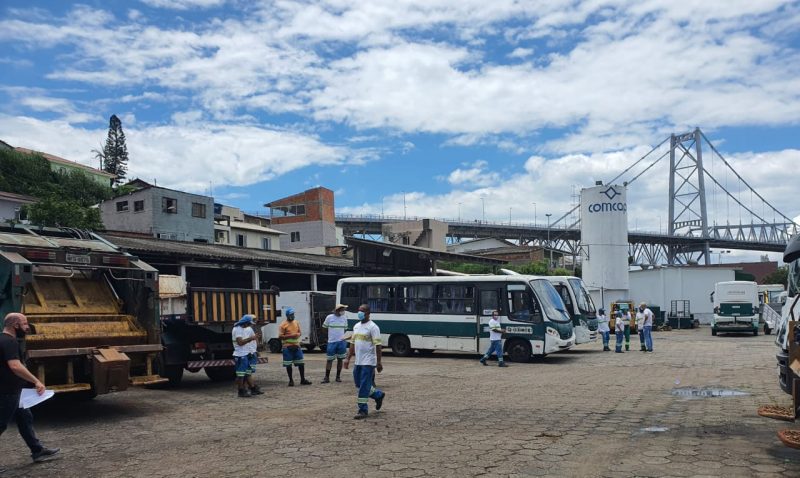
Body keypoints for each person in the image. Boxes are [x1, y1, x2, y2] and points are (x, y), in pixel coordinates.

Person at [0, 313, 60, 464]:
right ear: (15, 325)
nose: (27, 327)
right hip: (7, 392)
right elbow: (15, 366)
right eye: (25, 324)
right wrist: (36, 381)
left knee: (25, 418)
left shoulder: (2, 339)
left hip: (14, 390)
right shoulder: (10, 342)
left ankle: (37, 450)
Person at [343, 304, 385, 419]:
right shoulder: (356, 326)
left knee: (363, 386)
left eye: (362, 311)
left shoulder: (373, 327)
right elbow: (352, 344)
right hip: (358, 361)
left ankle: (362, 410)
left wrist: (379, 362)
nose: (359, 313)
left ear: (368, 313)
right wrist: (347, 358)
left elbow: (378, 346)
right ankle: (378, 395)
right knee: (359, 383)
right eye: (359, 310)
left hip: (368, 362)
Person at [278, 307, 311, 386]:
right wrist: (291, 336)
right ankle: (291, 380)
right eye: (291, 314)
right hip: (287, 347)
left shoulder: (296, 322)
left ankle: (302, 379)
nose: (292, 316)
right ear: (287, 315)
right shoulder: (283, 325)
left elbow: (299, 332)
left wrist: (298, 335)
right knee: (288, 365)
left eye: (293, 314)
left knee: (301, 363)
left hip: (296, 346)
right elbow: (280, 336)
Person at [232, 314, 263, 398]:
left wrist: (254, 350)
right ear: (245, 322)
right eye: (249, 323)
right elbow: (240, 342)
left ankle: (252, 388)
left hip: (245, 354)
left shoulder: (244, 328)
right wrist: (251, 338)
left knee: (247, 373)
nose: (249, 325)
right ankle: (241, 390)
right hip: (240, 354)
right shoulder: (237, 329)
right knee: (241, 374)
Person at [322, 304, 349, 383]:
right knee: (329, 360)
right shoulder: (329, 317)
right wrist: (328, 337)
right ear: (337, 310)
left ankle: (338, 377)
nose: (343, 311)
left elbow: (345, 329)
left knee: (340, 360)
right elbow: (324, 328)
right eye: (342, 310)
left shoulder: (344, 318)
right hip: (331, 342)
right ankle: (327, 377)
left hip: (341, 342)